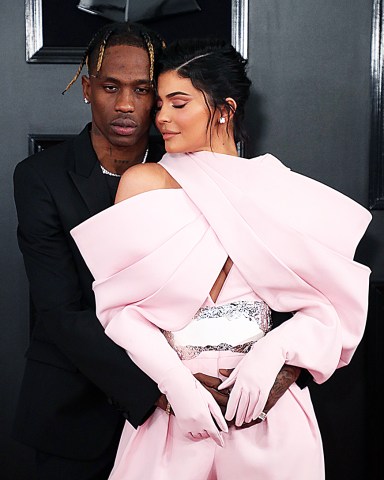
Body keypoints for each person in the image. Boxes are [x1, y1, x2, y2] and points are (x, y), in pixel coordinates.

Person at [71, 37, 371, 479]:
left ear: (225, 109)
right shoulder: (144, 182)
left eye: (178, 104)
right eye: (160, 106)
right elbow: (120, 311)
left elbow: (333, 309)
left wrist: (275, 352)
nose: (161, 118)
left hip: (268, 416)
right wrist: (173, 386)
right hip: (176, 419)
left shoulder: (280, 190)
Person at [13, 23, 300, 480]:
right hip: (75, 407)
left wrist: (276, 364)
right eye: (111, 86)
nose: (127, 104)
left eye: (144, 90)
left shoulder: (187, 160)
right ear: (88, 89)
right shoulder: (39, 177)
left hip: (195, 418)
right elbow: (61, 309)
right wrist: (165, 390)